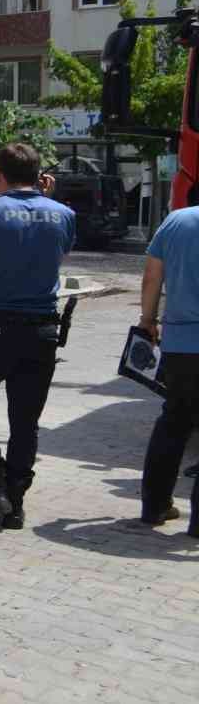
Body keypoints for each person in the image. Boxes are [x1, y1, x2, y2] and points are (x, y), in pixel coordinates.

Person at [0, 142, 75, 529]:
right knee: (26, 419)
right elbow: (58, 255)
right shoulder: (64, 214)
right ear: (39, 175)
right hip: (42, 331)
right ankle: (16, 502)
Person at [135, 206, 199, 536]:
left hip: (180, 343)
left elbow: (151, 278)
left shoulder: (176, 221)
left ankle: (154, 506)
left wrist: (148, 321)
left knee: (173, 421)